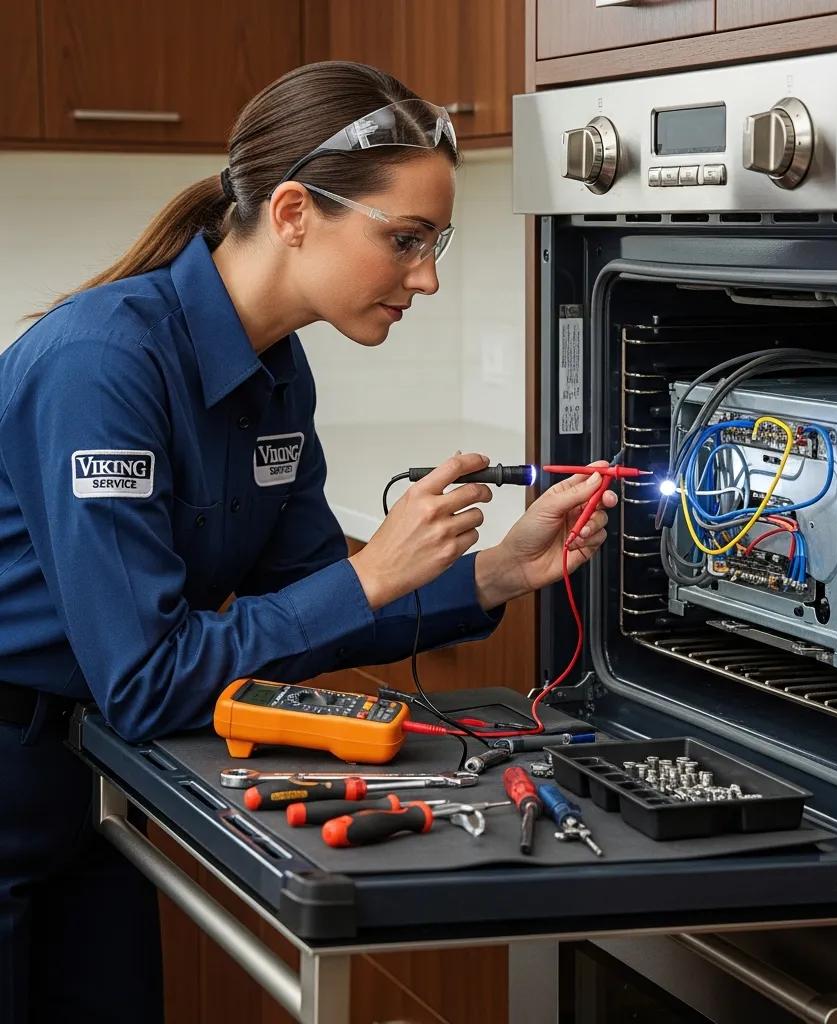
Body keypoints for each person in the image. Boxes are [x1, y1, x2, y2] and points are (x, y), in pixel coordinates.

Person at [0, 61, 616, 1023]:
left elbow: (314, 609)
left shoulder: (278, 374)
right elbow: (148, 677)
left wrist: (499, 570)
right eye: (405, 239)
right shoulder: (102, 365)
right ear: (293, 211)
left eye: (437, 241)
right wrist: (367, 574)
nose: (428, 276)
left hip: (97, 781)